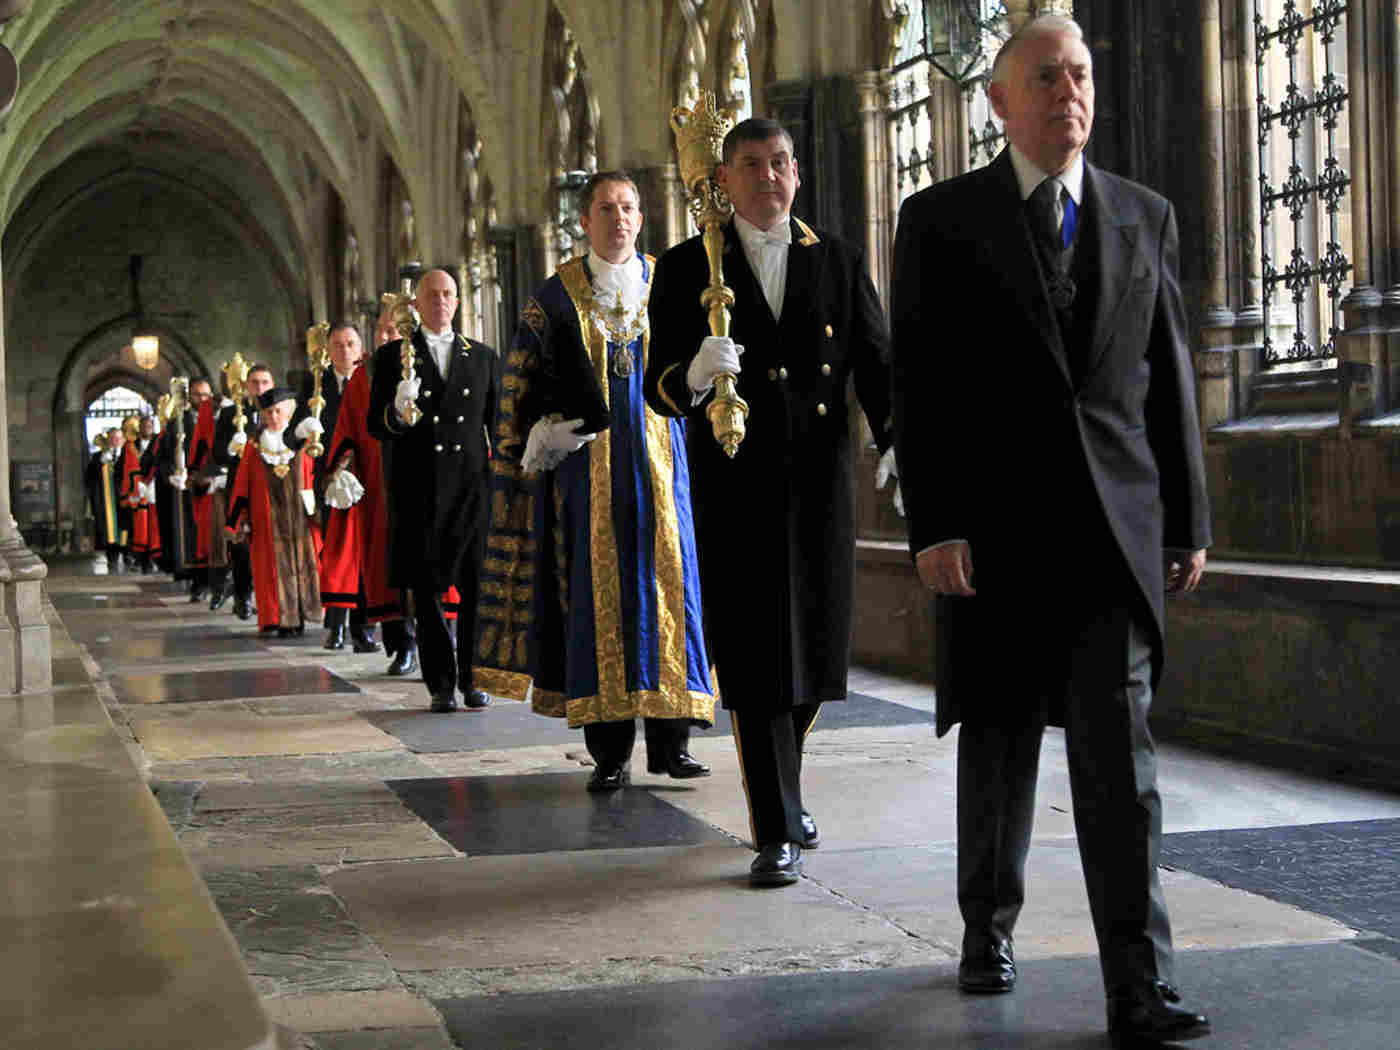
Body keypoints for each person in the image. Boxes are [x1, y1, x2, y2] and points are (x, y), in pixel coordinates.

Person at [889, 15, 1212, 1045]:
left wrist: (1187, 519)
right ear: (998, 101)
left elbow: (1166, 384)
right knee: (997, 749)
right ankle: (987, 929)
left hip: (1110, 543)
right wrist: (932, 524)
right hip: (989, 541)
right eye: (1044, 77)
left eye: (1077, 73)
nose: (1068, 92)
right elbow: (918, 388)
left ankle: (1138, 985)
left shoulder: (1141, 215)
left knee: (1122, 770)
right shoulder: (938, 220)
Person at [646, 118, 895, 885]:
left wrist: (897, 442)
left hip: (820, 484)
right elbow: (659, 386)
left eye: (781, 162)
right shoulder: (688, 266)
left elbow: (877, 363)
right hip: (736, 486)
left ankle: (784, 785)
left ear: (798, 171)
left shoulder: (839, 260)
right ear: (724, 179)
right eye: (751, 165)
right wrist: (691, 373)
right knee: (757, 659)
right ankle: (776, 828)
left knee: (814, 658)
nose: (769, 177)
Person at [476, 171, 716, 791]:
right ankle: (609, 749)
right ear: (584, 221)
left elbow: (699, 369)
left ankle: (672, 739)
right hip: (588, 476)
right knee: (596, 599)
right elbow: (518, 386)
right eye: (607, 208)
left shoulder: (670, 283)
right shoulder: (555, 297)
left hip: (665, 467)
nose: (620, 218)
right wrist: (536, 438)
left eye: (630, 206)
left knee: (670, 587)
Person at [368, 268, 499, 712]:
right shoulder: (391, 359)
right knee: (427, 593)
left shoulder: (481, 357)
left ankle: (474, 678)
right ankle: (441, 683)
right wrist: (397, 412)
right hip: (420, 490)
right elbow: (375, 425)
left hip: (470, 489)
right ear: (417, 303)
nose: (441, 301)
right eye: (432, 295)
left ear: (458, 303)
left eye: (448, 294)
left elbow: (496, 427)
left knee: (476, 588)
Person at [301, 323, 381, 654]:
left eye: (350, 344)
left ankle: (363, 632)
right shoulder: (316, 387)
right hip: (331, 482)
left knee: (365, 560)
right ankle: (334, 628)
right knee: (335, 557)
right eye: (338, 344)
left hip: (365, 482)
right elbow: (297, 433)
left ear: (360, 348)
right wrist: (305, 430)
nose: (344, 350)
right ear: (328, 350)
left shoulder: (370, 382)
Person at [227, 386, 323, 637]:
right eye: (268, 412)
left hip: (299, 517)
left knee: (302, 564)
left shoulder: (303, 442)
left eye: (278, 411)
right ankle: (276, 618)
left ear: (288, 412)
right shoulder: (254, 446)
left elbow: (314, 475)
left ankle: (300, 616)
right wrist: (237, 520)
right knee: (269, 569)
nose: (273, 417)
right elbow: (242, 483)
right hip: (265, 519)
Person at [208, 363, 278, 619]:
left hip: (272, 486)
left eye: (264, 382)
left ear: (272, 384)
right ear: (246, 386)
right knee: (240, 545)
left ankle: (272, 597)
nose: (259, 387)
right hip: (240, 487)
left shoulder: (282, 409)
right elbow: (216, 453)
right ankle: (243, 595)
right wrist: (230, 448)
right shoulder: (230, 414)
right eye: (255, 382)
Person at [85, 427, 126, 572]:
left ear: (123, 440)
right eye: (112, 438)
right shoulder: (98, 457)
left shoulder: (129, 455)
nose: (115, 441)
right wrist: (100, 463)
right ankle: (112, 558)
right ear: (107, 440)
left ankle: (129, 556)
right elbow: (89, 478)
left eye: (118, 438)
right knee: (108, 530)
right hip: (106, 500)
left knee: (126, 528)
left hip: (124, 499)